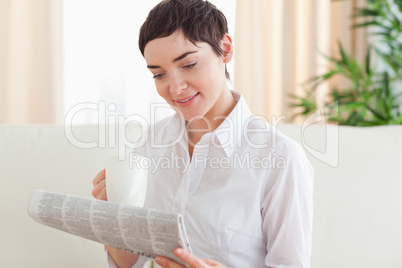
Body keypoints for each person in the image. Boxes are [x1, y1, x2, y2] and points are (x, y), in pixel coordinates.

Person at [92, 0, 314, 267]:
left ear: (225, 48)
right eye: (159, 74)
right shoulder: (147, 145)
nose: (175, 88)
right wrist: (112, 216)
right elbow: (130, 263)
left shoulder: (279, 158)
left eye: (188, 65)